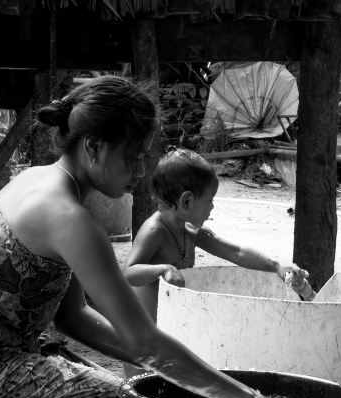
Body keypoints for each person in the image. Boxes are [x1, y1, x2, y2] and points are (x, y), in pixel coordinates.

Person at [0, 76, 282, 398]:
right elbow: (143, 341)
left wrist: (177, 371)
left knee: (139, 395)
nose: (141, 171)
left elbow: (72, 317)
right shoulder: (69, 218)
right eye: (133, 156)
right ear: (94, 147)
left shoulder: (43, 181)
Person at [122, 148, 308, 376]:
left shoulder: (190, 231)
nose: (212, 206)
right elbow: (128, 273)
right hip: (141, 338)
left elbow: (236, 252)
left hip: (169, 331)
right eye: (209, 200)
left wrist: (276, 266)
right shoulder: (154, 231)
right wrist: (164, 269)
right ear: (187, 201)